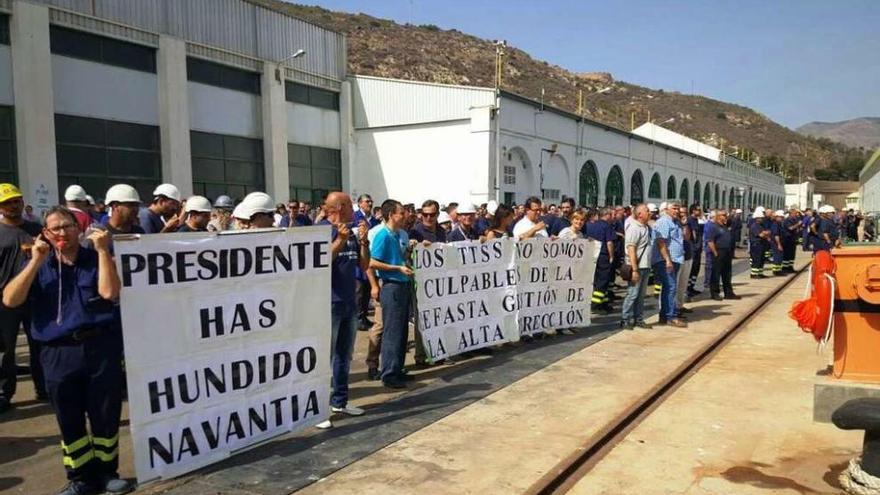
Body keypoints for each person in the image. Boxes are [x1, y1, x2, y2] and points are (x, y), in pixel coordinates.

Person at [3, 206, 131, 495]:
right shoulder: (38, 263)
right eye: (55, 228)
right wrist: (35, 261)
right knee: (68, 416)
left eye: (68, 226)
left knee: (105, 413)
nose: (62, 232)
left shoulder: (95, 259)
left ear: (79, 228)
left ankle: (108, 472)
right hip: (58, 352)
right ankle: (81, 478)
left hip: (100, 347)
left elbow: (110, 293)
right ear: (45, 234)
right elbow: (11, 300)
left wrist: (101, 252)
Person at [315, 192, 370, 429]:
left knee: (344, 356)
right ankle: (320, 409)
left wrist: (364, 241)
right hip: (329, 303)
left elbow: (364, 264)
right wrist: (339, 240)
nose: (353, 209)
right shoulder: (322, 231)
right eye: (349, 205)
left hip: (349, 302)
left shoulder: (352, 231)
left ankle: (340, 401)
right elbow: (320, 261)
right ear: (338, 207)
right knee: (324, 358)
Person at [0, 184, 45, 413]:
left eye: (16, 200)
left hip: (35, 296)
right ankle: (5, 393)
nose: (13, 205)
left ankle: (42, 387)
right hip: (5, 301)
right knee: (6, 349)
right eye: (8, 202)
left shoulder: (36, 228)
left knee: (38, 343)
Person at [369, 200, 414, 389]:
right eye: (401, 213)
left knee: (401, 330)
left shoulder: (397, 235)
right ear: (390, 215)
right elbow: (373, 262)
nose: (404, 216)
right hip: (392, 285)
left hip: (402, 284)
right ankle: (389, 373)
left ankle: (397, 368)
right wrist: (397, 268)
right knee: (392, 331)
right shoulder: (383, 236)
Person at [83, 184, 146, 256]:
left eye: (137, 205)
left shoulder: (139, 232)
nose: (135, 209)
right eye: (131, 205)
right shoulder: (98, 234)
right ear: (115, 206)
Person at [652, 202, 686, 327]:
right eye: (674, 208)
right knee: (670, 287)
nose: (676, 211)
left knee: (669, 288)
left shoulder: (675, 222)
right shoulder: (664, 222)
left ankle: (665, 316)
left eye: (678, 208)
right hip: (666, 261)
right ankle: (670, 316)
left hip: (676, 259)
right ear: (666, 210)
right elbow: (661, 242)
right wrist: (667, 260)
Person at [620, 204, 653, 330]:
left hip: (645, 266)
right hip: (637, 266)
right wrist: (634, 269)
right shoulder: (634, 228)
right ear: (639, 214)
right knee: (633, 294)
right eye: (647, 211)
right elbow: (631, 249)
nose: (649, 212)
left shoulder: (646, 227)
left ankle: (638, 319)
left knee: (641, 295)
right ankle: (625, 319)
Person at [353, 195, 380, 332]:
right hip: (358, 259)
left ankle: (363, 317)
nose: (369, 203)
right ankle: (357, 318)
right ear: (359, 204)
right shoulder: (354, 218)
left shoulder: (375, 221)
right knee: (359, 291)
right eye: (366, 201)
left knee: (368, 290)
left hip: (372, 259)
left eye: (371, 201)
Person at [586, 208, 615, 312]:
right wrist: (611, 256)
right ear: (607, 215)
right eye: (612, 215)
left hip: (593, 256)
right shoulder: (607, 226)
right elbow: (609, 243)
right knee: (603, 281)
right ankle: (594, 304)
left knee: (597, 280)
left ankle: (604, 303)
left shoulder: (591, 225)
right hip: (603, 256)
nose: (613, 217)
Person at [707, 209, 739, 300]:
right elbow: (710, 241)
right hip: (719, 252)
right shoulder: (713, 227)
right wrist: (715, 253)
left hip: (727, 252)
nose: (725, 217)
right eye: (723, 215)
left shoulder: (724, 226)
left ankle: (728, 293)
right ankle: (715, 293)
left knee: (727, 273)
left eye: (726, 215)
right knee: (716, 274)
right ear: (718, 216)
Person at [686, 205, 704, 298]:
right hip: (693, 249)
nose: (700, 211)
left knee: (696, 270)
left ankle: (692, 287)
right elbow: (693, 235)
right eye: (698, 210)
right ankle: (688, 288)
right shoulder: (690, 220)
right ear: (693, 211)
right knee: (691, 269)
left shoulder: (697, 220)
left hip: (698, 249)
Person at [748, 207, 770, 278]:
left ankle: (760, 273)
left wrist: (765, 233)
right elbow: (761, 235)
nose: (762, 219)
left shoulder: (761, 225)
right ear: (757, 218)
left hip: (761, 244)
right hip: (756, 245)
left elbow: (766, 232)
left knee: (761, 259)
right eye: (761, 218)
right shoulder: (754, 226)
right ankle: (754, 274)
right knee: (756, 259)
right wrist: (765, 233)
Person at [769, 210, 786, 276]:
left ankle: (778, 270)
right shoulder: (775, 225)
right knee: (777, 257)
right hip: (776, 243)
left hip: (779, 243)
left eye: (782, 217)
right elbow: (776, 235)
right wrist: (779, 244)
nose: (782, 218)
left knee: (780, 257)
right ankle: (776, 271)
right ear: (777, 217)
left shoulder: (779, 224)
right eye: (781, 217)